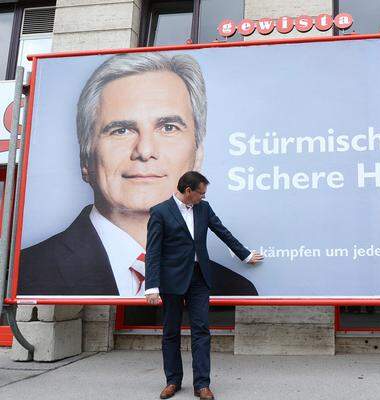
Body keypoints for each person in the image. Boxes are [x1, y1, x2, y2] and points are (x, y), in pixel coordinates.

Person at [17, 52, 257, 297]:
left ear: (198, 155)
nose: (145, 151)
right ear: (85, 157)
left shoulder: (235, 290)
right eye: (121, 130)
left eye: (168, 128)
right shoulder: (25, 274)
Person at [146, 171, 264, 399]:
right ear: (188, 191)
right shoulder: (160, 212)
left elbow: (222, 232)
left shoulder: (204, 208)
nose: (203, 197)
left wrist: (245, 255)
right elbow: (153, 251)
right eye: (201, 193)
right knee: (171, 332)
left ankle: (202, 385)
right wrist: (152, 286)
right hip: (171, 281)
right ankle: (173, 381)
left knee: (201, 330)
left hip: (199, 278)